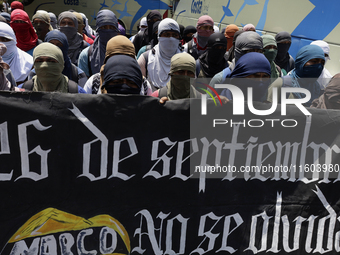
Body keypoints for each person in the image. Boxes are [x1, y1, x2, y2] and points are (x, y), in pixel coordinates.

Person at [83, 35, 151, 95]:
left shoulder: (143, 83)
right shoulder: (94, 82)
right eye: (116, 56)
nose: (121, 60)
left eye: (126, 57)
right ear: (107, 58)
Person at [20, 42, 85, 93]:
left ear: (61, 64)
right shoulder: (22, 91)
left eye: (51, 61)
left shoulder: (76, 91)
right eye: (39, 61)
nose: (44, 66)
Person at [138, 18, 182, 90]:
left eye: (174, 35)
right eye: (166, 34)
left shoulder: (186, 60)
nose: (170, 39)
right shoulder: (146, 59)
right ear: (159, 36)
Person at [78, 9, 120, 77]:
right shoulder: (86, 55)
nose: (108, 30)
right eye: (103, 27)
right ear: (97, 29)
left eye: (112, 27)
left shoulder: (127, 53)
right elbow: (83, 82)